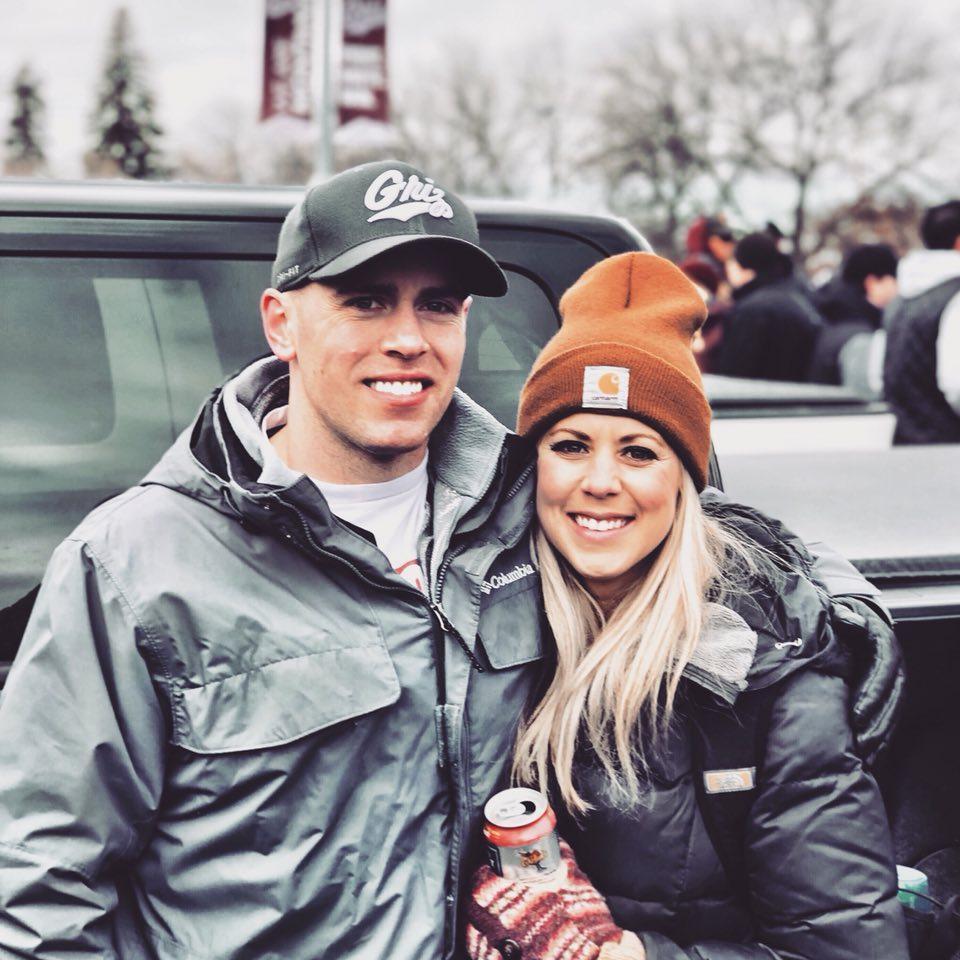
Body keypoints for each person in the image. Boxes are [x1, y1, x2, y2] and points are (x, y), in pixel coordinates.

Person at [0, 161, 900, 960]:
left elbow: (692, 521)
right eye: (365, 300)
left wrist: (844, 615)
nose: (408, 337)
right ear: (281, 321)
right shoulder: (134, 566)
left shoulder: (523, 509)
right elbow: (39, 895)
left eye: (438, 303)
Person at [466, 252, 909, 960]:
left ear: (685, 480)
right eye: (571, 445)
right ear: (533, 464)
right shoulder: (471, 628)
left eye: (639, 452)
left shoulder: (767, 670)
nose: (600, 481)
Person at [884, 199, 960, 444]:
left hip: (906, 443)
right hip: (949, 446)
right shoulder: (955, 294)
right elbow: (956, 383)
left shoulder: (903, 296)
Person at [718, 231, 823, 382]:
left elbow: (734, 373)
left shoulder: (752, 311)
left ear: (744, 265)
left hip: (758, 394)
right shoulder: (797, 298)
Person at [809, 243, 899, 388]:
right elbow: (863, 396)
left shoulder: (833, 319)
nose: (897, 288)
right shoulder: (860, 339)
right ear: (872, 283)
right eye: (894, 280)